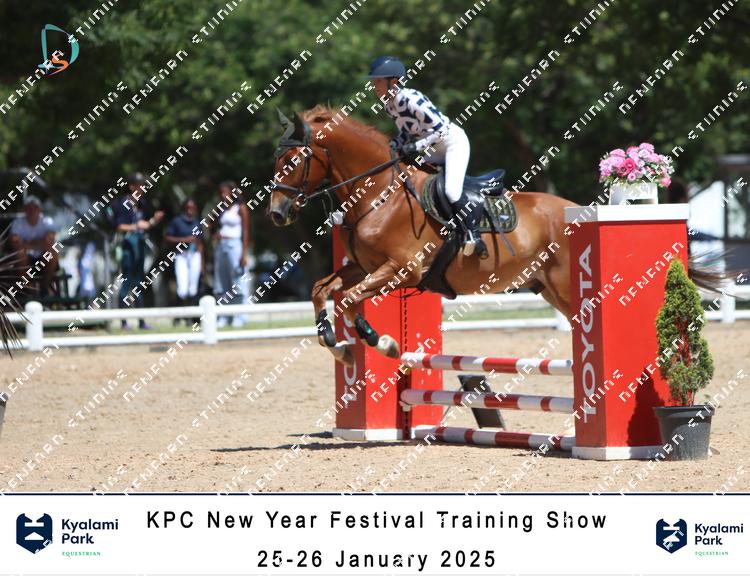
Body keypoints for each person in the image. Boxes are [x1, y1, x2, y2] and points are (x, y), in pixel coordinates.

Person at [367, 55, 488, 259]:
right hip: (433, 148)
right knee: (412, 182)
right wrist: (394, 144)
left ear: (393, 81)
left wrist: (415, 146)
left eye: (377, 81)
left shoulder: (411, 99)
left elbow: (442, 130)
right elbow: (406, 131)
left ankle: (473, 235)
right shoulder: (390, 105)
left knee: (451, 191)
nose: (374, 86)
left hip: (452, 143)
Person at [112, 173, 164, 330]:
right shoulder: (122, 204)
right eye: (141, 185)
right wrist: (136, 226)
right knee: (126, 282)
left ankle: (141, 321)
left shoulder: (142, 203)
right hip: (127, 248)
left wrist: (153, 221)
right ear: (132, 186)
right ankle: (123, 322)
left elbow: (144, 225)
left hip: (140, 246)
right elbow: (119, 226)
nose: (143, 188)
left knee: (139, 283)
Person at [212, 181, 251, 328]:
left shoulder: (240, 208)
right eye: (221, 193)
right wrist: (216, 234)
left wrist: (244, 254)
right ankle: (224, 315)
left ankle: (240, 316)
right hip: (221, 246)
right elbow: (211, 225)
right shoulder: (221, 209)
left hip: (235, 245)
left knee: (238, 280)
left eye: (226, 192)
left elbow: (245, 231)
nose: (223, 195)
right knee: (222, 281)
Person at [9, 195, 59, 296]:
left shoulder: (47, 222)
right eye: (29, 208)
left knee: (52, 253)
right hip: (25, 261)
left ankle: (44, 287)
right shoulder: (17, 223)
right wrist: (40, 243)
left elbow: (49, 241)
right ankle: (30, 288)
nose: (32, 211)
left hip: (42, 260)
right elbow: (15, 243)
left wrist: (25, 244)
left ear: (39, 209)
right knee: (20, 254)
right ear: (25, 210)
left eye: (35, 208)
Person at [165, 199, 203, 323]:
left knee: (193, 288)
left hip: (194, 255)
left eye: (192, 208)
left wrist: (202, 263)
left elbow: (200, 242)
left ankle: (193, 318)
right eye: (188, 208)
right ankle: (179, 317)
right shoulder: (176, 221)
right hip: (181, 255)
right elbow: (168, 237)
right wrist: (183, 240)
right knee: (182, 288)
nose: (190, 210)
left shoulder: (197, 222)